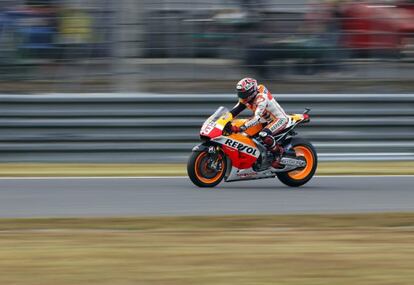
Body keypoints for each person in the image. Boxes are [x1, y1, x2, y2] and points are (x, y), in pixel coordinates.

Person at [230, 77, 291, 168]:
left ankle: (278, 155)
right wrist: (224, 119)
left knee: (263, 134)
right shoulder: (247, 98)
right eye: (240, 93)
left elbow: (256, 118)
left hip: (279, 119)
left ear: (251, 92)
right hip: (265, 120)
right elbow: (235, 110)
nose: (241, 96)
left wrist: (241, 128)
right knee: (241, 127)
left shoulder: (261, 98)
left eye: (244, 94)